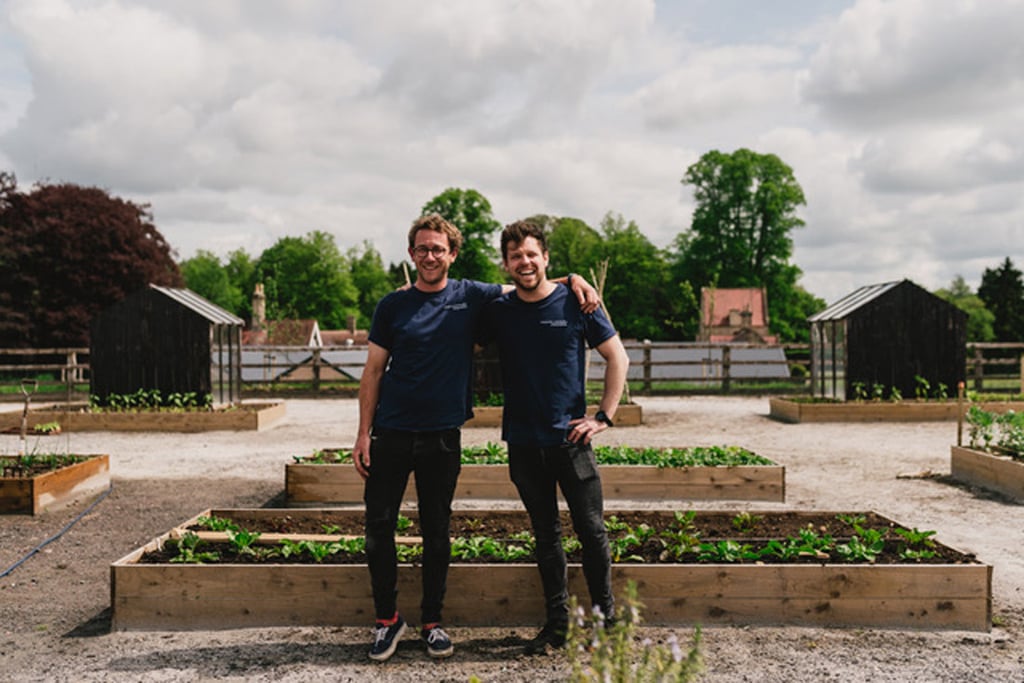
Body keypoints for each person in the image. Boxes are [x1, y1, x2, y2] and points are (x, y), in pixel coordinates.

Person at [353, 213, 599, 662]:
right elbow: (372, 372)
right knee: (378, 529)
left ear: (452, 254)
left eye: (438, 249)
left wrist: (574, 279)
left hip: (442, 435)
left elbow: (529, 280)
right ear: (411, 253)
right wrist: (362, 434)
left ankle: (432, 623)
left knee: (437, 530)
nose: (430, 256)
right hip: (390, 432)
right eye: (422, 249)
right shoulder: (392, 306)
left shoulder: (471, 296)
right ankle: (387, 620)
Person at [478, 220, 629, 656]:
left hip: (571, 441)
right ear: (506, 263)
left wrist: (603, 417)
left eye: (532, 254)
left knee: (592, 530)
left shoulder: (578, 302)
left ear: (545, 257)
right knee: (545, 536)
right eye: (515, 256)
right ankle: (557, 626)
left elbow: (618, 357)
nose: (524, 262)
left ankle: (605, 621)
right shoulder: (499, 310)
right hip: (523, 442)